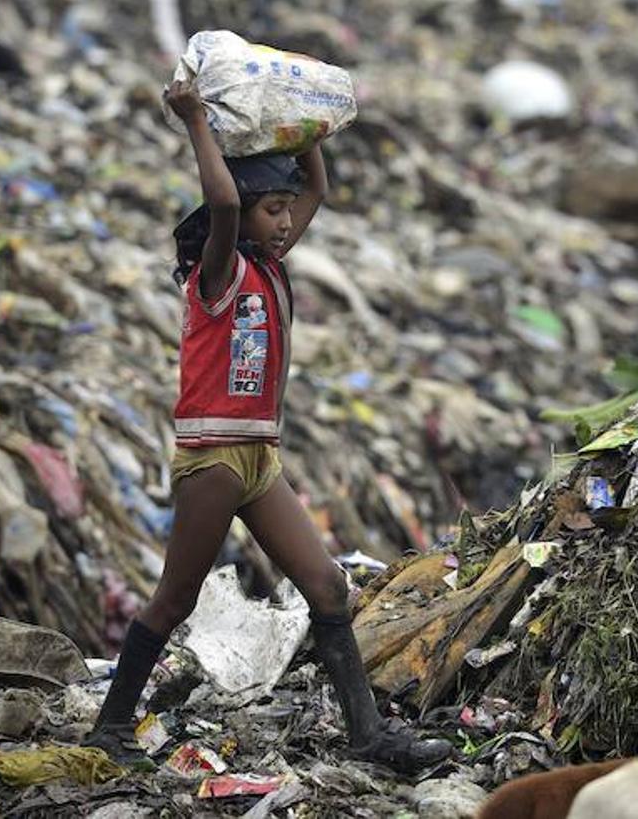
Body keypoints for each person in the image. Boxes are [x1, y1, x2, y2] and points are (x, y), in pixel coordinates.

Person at [84, 79, 451, 772]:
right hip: (213, 458)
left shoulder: (268, 266)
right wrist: (196, 120)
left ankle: (368, 736)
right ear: (245, 217)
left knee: (328, 589)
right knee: (175, 599)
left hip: (258, 459)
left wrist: (305, 128)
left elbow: (317, 189)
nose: (284, 222)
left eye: (286, 211)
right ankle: (110, 727)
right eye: (272, 211)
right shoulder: (217, 273)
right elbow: (224, 203)